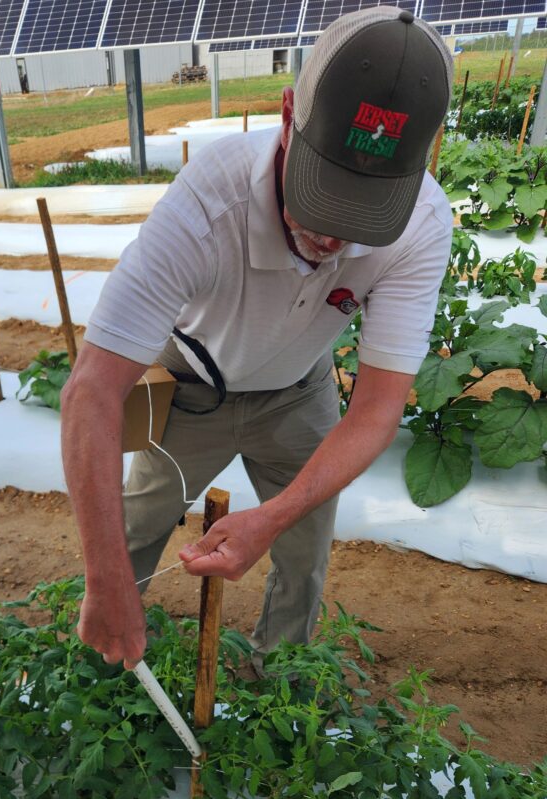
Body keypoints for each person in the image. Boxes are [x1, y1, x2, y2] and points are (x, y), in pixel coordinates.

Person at [61, 5, 454, 670]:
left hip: (299, 395)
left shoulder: (422, 224)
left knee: (303, 554)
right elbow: (93, 391)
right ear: (286, 116)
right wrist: (105, 584)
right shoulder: (208, 202)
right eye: (323, 194)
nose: (334, 237)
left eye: (365, 209)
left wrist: (271, 519)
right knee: (132, 537)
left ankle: (280, 682)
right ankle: (107, 675)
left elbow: (379, 410)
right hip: (192, 387)